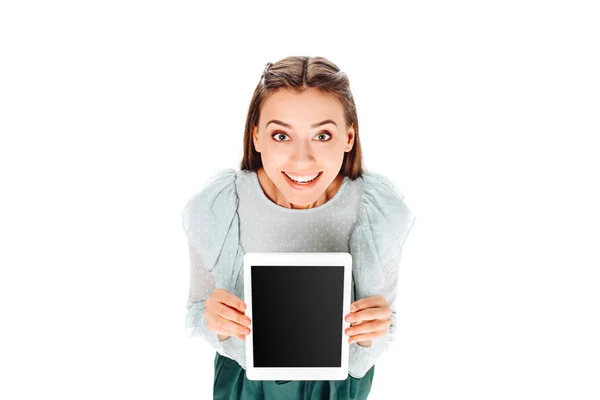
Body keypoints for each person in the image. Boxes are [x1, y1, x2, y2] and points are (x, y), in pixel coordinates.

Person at [182, 56, 416, 400]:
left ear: (349, 138)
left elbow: (380, 332)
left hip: (337, 387)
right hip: (245, 383)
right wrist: (212, 319)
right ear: (257, 136)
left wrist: (372, 331)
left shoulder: (378, 212)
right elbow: (196, 313)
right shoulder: (218, 207)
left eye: (322, 135)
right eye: (281, 135)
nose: (302, 160)